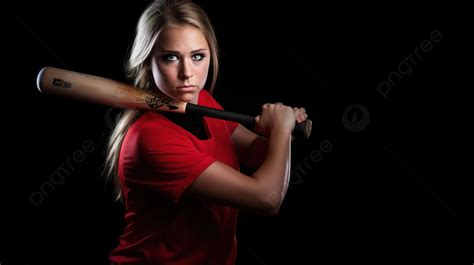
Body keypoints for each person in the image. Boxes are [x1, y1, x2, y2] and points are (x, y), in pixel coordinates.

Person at [104, 0, 308, 264]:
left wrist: (284, 129)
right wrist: (281, 130)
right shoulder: (150, 139)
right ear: (147, 61)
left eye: (197, 56)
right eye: (171, 57)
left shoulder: (202, 102)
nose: (187, 74)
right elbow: (266, 199)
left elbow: (256, 152)